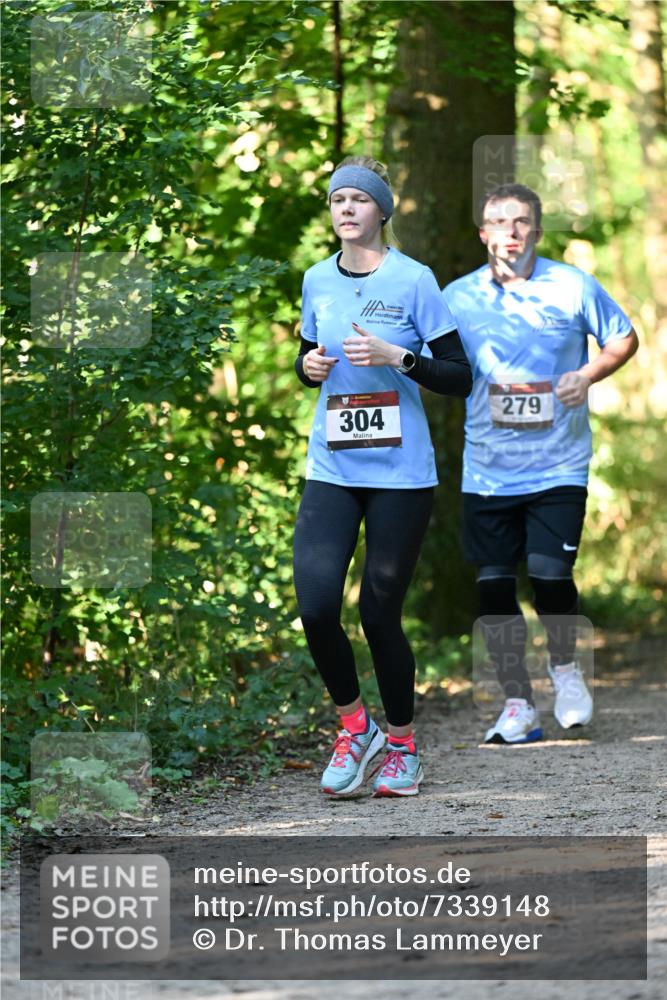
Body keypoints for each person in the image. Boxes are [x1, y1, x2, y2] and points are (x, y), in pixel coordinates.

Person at [294, 155, 472, 796]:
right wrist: (307, 367)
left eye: (358, 200)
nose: (345, 209)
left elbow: (459, 375)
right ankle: (354, 726)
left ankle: (401, 746)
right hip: (332, 466)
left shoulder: (414, 280)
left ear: (382, 210)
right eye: (337, 199)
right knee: (315, 606)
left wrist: (401, 356)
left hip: (400, 473)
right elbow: (307, 353)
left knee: (377, 612)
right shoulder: (317, 279)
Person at [442, 183, 638, 744]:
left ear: (537, 229)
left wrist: (587, 373)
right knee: (494, 589)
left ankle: (565, 668)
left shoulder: (572, 284)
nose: (510, 230)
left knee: (550, 577)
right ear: (483, 234)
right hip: (487, 467)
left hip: (559, 464)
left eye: (521, 221)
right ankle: (517, 703)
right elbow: (429, 358)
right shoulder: (457, 297)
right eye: (498, 221)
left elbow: (624, 337)